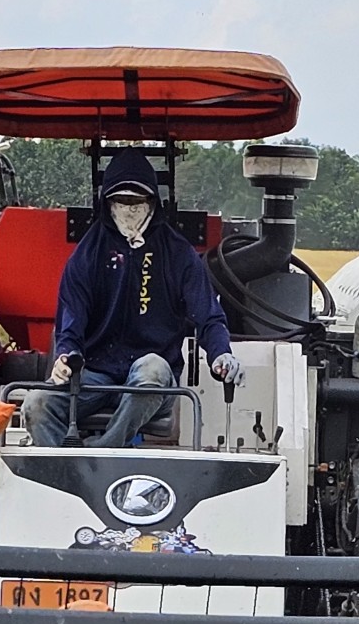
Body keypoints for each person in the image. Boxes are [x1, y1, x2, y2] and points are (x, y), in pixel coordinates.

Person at [29, 149, 242, 447]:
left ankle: (99, 455)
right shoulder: (87, 255)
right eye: (121, 201)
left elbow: (208, 315)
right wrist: (66, 355)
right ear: (107, 203)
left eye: (137, 201)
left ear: (153, 202)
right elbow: (71, 318)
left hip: (153, 379)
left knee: (152, 368)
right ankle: (62, 478)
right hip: (96, 375)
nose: (129, 209)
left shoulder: (178, 254)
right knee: (36, 404)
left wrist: (221, 352)